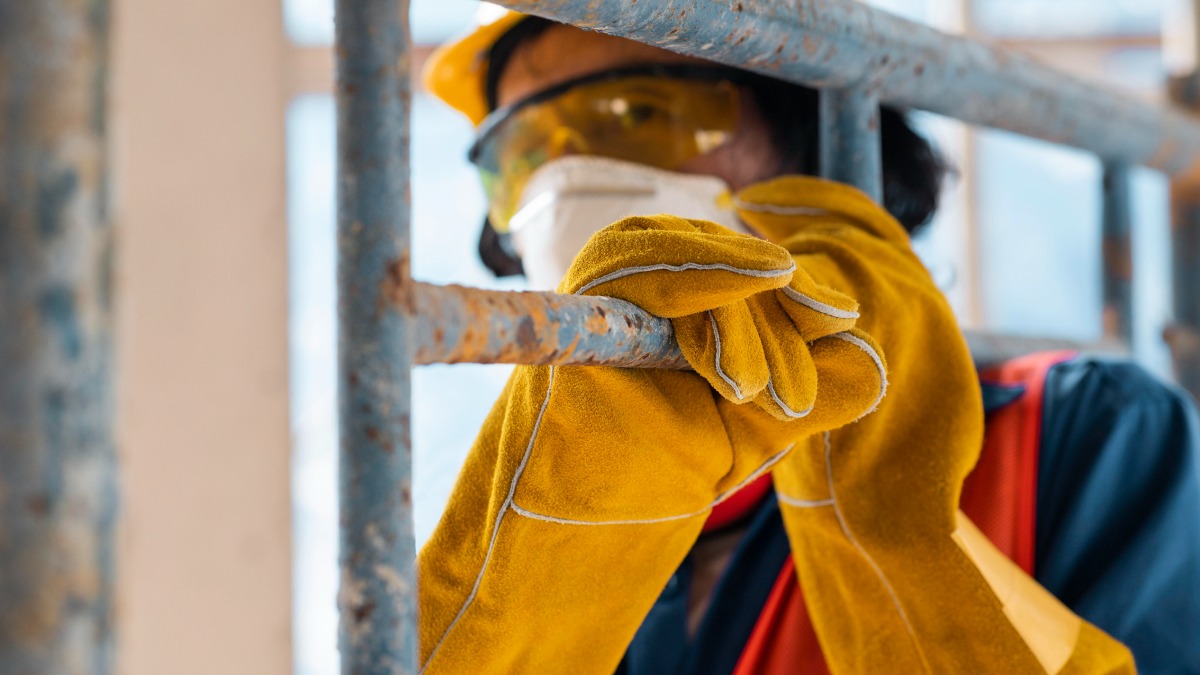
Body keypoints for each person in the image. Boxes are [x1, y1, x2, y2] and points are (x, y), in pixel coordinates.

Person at [416, 9, 1200, 674]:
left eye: (637, 117)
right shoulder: (533, 502)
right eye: (521, 158)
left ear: (810, 144)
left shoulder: (1077, 432)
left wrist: (899, 545)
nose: (565, 183)